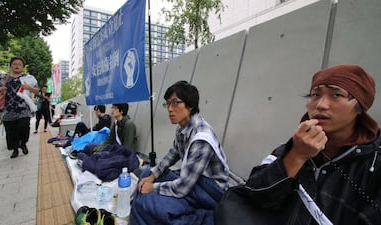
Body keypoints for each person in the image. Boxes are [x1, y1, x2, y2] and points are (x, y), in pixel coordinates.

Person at [215, 64, 381, 225]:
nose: (321, 105)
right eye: (315, 94)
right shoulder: (293, 146)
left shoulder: (374, 163)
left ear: (360, 107)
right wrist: (296, 155)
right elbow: (255, 195)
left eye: (336, 95)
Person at [130, 81, 230, 225]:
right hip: (193, 179)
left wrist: (153, 188)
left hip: (210, 190)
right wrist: (153, 176)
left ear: (190, 106)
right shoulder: (182, 128)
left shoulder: (202, 138)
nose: (170, 109)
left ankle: (199, 217)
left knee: (151, 200)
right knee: (146, 174)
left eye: (175, 103)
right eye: (168, 104)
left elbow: (183, 187)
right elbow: (173, 154)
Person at [0, 57, 39, 158]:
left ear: (23, 67)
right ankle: (15, 149)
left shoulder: (28, 77)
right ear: (11, 66)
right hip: (8, 108)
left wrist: (28, 87)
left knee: (24, 127)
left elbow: (36, 91)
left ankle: (23, 143)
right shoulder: (5, 78)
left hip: (23, 107)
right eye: (14, 64)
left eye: (19, 64)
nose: (17, 66)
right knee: (11, 130)